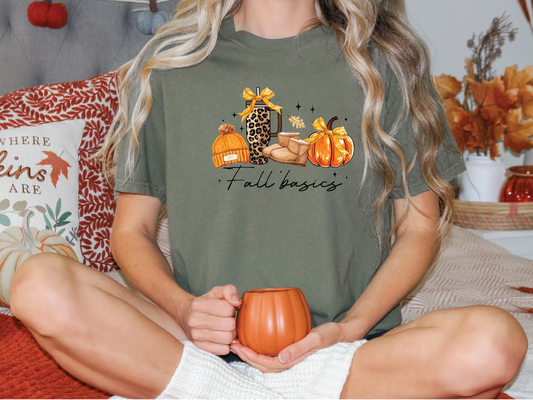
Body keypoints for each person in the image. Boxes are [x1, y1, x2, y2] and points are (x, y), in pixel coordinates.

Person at [9, 0, 528, 398]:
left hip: (343, 348)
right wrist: (185, 309)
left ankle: (216, 392)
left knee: (495, 341)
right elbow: (131, 231)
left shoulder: (389, 65)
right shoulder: (165, 65)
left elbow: (418, 228)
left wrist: (347, 329)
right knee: (37, 281)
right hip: (196, 341)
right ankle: (229, 386)